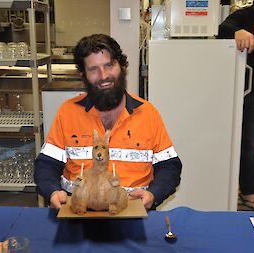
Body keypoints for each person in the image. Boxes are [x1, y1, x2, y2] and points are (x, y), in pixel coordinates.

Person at [34, 34, 182, 210]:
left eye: (109, 65)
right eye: (93, 69)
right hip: (78, 212)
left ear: (122, 66)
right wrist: (53, 191)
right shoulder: (68, 112)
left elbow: (169, 165)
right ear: (83, 74)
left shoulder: (147, 114)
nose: (103, 76)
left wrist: (154, 194)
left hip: (132, 212)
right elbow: (46, 164)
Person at [219, 0, 254, 211]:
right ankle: (247, 190)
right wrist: (238, 31)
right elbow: (223, 28)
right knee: (248, 144)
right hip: (251, 92)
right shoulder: (244, 16)